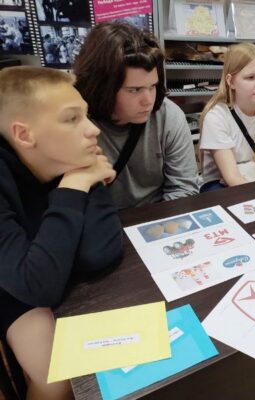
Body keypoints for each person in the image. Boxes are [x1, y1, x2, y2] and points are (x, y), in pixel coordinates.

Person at [0, 66, 123, 399]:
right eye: (72, 119)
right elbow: (34, 286)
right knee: (58, 377)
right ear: (23, 135)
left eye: (86, 116)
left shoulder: (64, 155)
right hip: (11, 280)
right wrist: (76, 183)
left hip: (45, 263)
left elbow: (101, 252)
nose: (93, 130)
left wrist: (84, 178)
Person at [73, 22, 200, 209]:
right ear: (102, 87)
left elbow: (184, 187)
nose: (148, 100)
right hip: (98, 223)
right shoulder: (75, 123)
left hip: (158, 217)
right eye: (134, 90)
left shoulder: (168, 115)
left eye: (153, 86)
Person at [199, 42, 255, 191]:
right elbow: (232, 178)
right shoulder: (216, 117)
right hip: (220, 184)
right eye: (250, 77)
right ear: (231, 81)